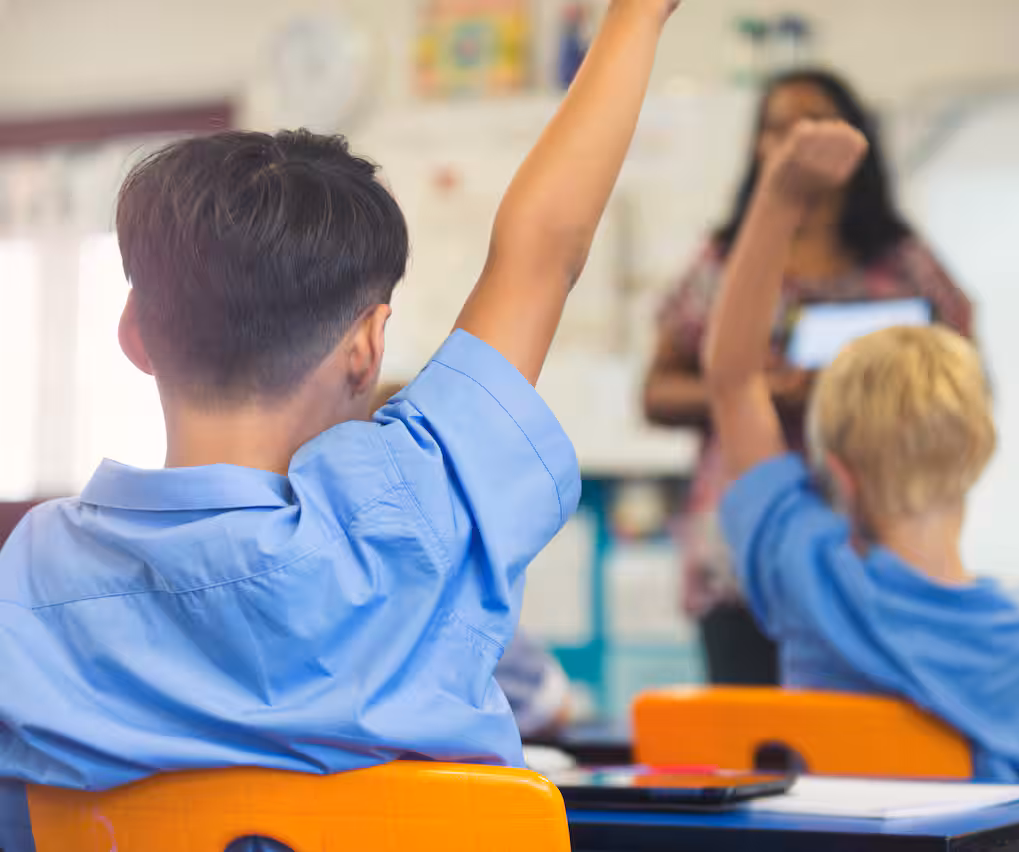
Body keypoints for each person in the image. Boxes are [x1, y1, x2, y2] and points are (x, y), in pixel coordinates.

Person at [0, 3, 677, 833]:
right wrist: (638, 16)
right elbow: (542, 253)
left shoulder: (31, 574)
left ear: (134, 333)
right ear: (368, 346)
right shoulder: (417, 512)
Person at [701, 119, 1019, 779]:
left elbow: (732, 380)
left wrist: (779, 197)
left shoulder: (806, 574)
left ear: (839, 473)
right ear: (979, 454)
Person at [644, 69, 974, 687]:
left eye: (814, 122)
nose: (796, 140)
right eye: (777, 127)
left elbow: (962, 377)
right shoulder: (722, 261)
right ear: (756, 145)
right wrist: (761, 393)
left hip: (880, 543)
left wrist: (867, 390)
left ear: (854, 135)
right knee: (754, 732)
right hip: (747, 551)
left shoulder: (904, 260)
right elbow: (660, 392)